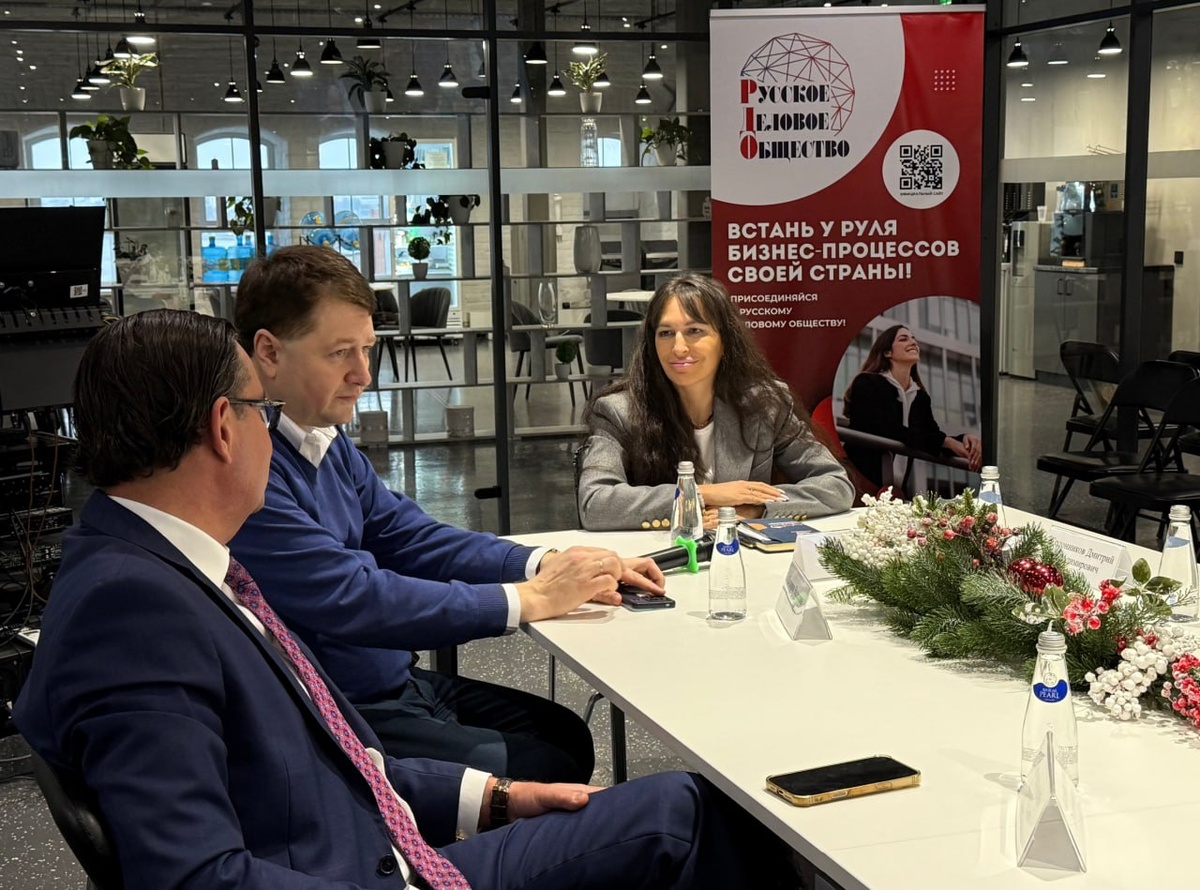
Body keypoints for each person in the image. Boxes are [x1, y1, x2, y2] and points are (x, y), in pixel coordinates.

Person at [14, 309, 785, 889]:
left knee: (660, 802)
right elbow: (194, 877)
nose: (269, 431)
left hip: (371, 840)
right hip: (369, 870)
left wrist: (495, 799)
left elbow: (321, 761)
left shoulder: (153, 565)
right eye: (259, 410)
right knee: (689, 814)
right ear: (224, 426)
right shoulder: (134, 610)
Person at [228, 246, 664, 785]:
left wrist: (545, 563)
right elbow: (353, 596)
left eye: (366, 349)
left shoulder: (323, 439)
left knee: (565, 735)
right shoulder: (250, 471)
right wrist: (530, 598)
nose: (363, 375)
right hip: (339, 711)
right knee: (546, 763)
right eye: (340, 353)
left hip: (389, 681)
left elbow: (410, 536)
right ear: (268, 352)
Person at [578, 273, 854, 531]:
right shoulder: (618, 411)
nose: (679, 348)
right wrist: (701, 494)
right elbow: (596, 503)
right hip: (658, 557)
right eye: (666, 333)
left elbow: (836, 485)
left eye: (694, 330)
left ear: (725, 341)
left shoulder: (765, 405)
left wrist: (758, 509)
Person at [842, 324, 983, 491]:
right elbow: (883, 427)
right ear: (887, 352)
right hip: (855, 482)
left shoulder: (920, 397)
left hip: (894, 490)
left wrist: (964, 441)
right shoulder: (867, 382)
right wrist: (947, 442)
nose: (913, 342)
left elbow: (929, 436)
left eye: (914, 339)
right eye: (904, 339)